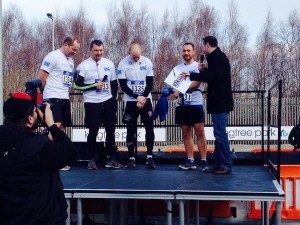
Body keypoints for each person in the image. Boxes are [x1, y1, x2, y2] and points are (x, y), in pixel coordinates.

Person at [0, 92, 78, 225]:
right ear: (30, 119)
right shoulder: (39, 147)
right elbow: (71, 153)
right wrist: (51, 125)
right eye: (35, 112)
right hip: (37, 218)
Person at [181, 36, 234, 174]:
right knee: (218, 134)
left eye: (203, 46)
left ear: (208, 45)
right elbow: (212, 75)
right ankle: (218, 163)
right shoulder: (216, 58)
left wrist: (192, 75)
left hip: (221, 102)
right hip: (217, 102)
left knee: (221, 134)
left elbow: (213, 77)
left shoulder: (219, 58)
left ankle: (225, 164)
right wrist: (203, 70)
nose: (202, 49)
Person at [74, 40, 122, 169]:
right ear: (90, 50)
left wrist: (113, 100)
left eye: (101, 50)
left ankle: (110, 158)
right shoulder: (83, 66)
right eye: (96, 50)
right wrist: (93, 86)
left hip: (108, 102)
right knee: (93, 131)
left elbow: (113, 84)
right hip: (92, 103)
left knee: (111, 131)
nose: (98, 53)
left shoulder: (109, 64)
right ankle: (91, 159)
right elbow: (76, 85)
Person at [38, 36, 80, 171]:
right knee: (54, 126)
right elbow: (41, 77)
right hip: (52, 96)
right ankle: (48, 157)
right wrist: (45, 95)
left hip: (64, 97)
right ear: (66, 44)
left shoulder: (71, 61)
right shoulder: (53, 56)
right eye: (73, 49)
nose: (74, 52)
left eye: (76, 50)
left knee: (61, 129)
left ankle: (58, 158)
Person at [117, 42, 156, 169]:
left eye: (138, 56)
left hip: (145, 99)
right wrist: (136, 97)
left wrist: (143, 97)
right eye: (134, 57)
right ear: (129, 54)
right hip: (130, 100)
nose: (137, 58)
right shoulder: (122, 63)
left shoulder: (147, 62)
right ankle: (131, 157)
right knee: (130, 128)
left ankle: (149, 157)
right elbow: (123, 85)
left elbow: (150, 83)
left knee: (149, 127)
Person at [174, 42, 209, 171]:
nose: (186, 53)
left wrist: (181, 89)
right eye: (184, 51)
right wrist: (175, 92)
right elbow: (175, 86)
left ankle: (204, 160)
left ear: (193, 52)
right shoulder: (177, 68)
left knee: (200, 131)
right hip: (182, 105)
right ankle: (190, 160)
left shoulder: (198, 66)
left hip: (195, 102)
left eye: (189, 51)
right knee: (185, 132)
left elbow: (196, 83)